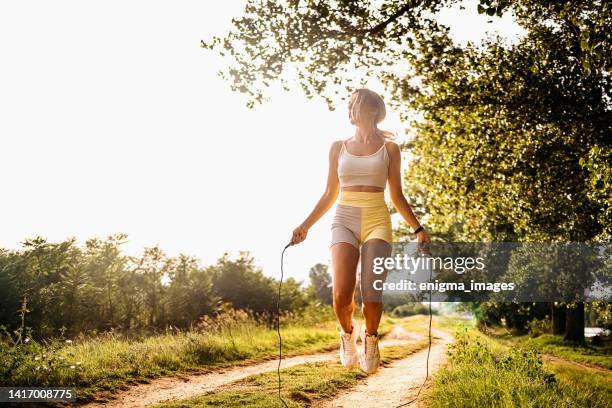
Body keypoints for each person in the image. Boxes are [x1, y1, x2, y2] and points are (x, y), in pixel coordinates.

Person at [290, 88, 430, 374]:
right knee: (341, 295)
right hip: (344, 218)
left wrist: (418, 229)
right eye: (349, 105)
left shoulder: (390, 149)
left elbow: (397, 195)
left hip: (377, 218)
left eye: (355, 104)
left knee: (371, 294)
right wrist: (305, 225)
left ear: (372, 110)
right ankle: (347, 335)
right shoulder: (337, 147)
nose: (350, 109)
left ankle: (371, 338)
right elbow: (330, 193)